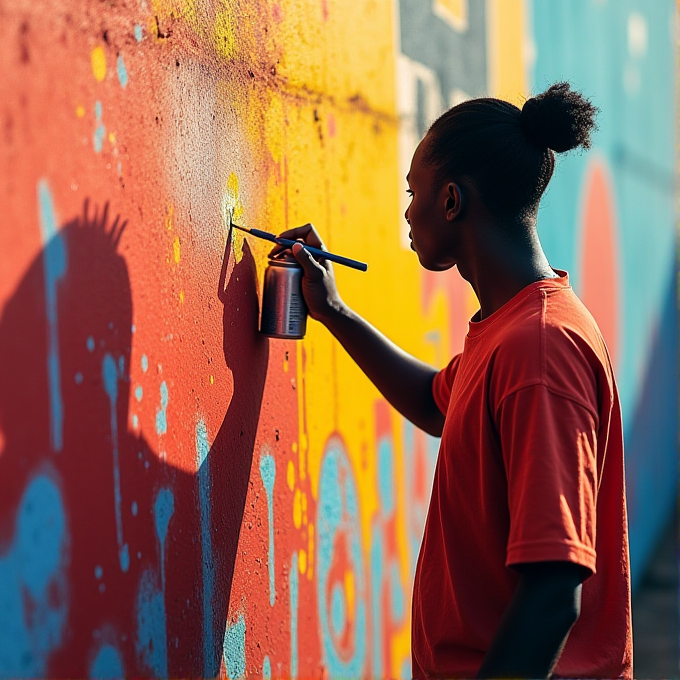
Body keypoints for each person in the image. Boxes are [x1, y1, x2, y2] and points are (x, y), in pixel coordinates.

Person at [270, 82, 632, 679]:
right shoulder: (509, 328)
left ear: (452, 200)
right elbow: (438, 403)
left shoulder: (538, 347)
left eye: (414, 193)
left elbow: (552, 590)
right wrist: (333, 310)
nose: (408, 212)